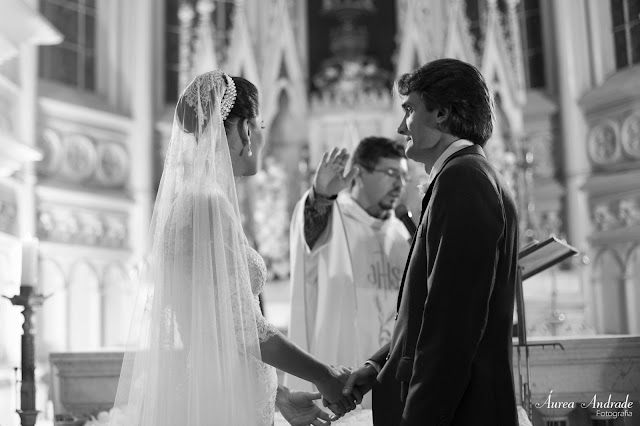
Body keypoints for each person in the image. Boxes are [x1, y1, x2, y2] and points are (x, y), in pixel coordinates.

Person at [110, 70, 353, 426]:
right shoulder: (207, 204)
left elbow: (216, 333)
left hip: (231, 396)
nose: (262, 135)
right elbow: (245, 328)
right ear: (245, 131)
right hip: (225, 406)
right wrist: (323, 375)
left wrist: (279, 397)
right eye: (261, 125)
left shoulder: (200, 202)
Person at [343, 58, 521, 425]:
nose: (400, 127)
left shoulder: (464, 180)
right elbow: (431, 309)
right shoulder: (466, 175)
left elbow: (453, 327)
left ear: (441, 113)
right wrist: (378, 365)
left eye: (409, 110)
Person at [286, 137, 412, 409]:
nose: (399, 184)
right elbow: (310, 237)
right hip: (340, 372)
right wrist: (321, 196)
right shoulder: (335, 217)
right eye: (391, 173)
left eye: (404, 176)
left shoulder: (403, 234)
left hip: (388, 372)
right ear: (360, 173)